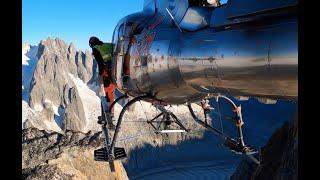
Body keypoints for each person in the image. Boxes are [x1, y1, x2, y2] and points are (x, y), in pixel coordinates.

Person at [89, 36, 115, 128]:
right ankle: (107, 113)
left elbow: (100, 63)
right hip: (115, 69)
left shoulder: (95, 49)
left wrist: (101, 74)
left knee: (108, 91)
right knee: (109, 91)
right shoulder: (106, 45)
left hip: (107, 72)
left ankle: (110, 114)